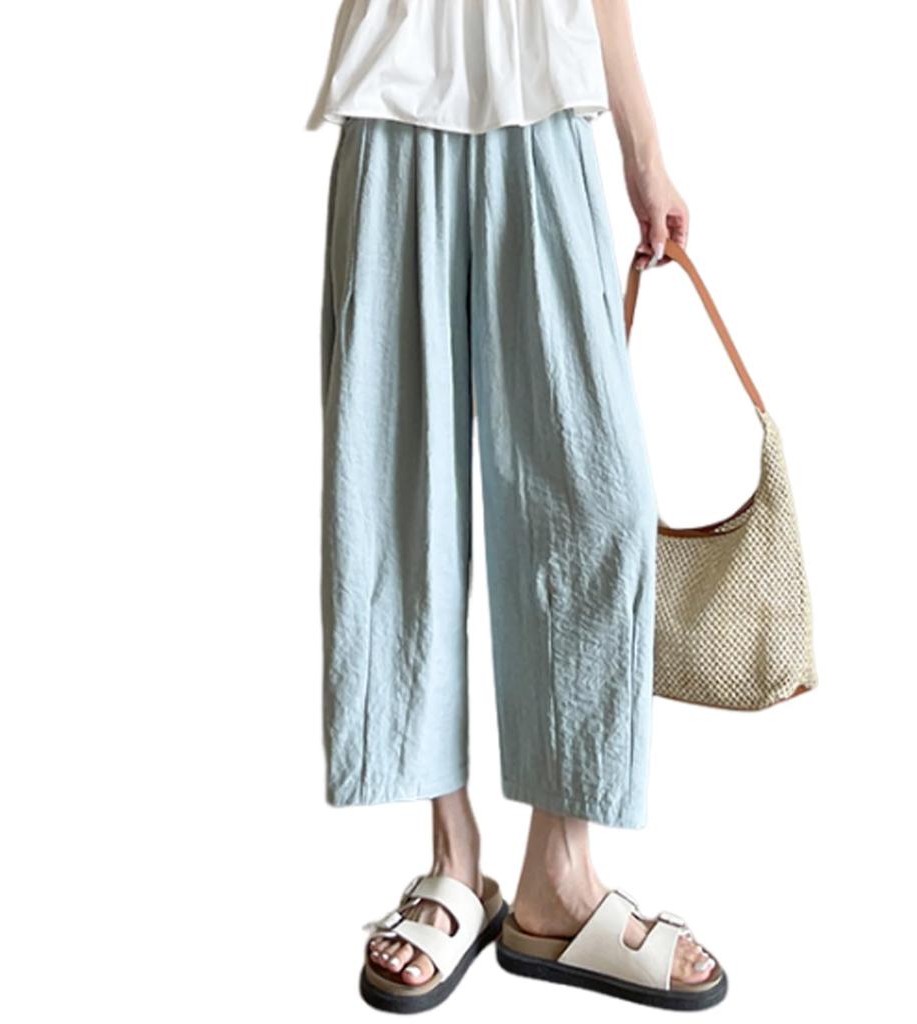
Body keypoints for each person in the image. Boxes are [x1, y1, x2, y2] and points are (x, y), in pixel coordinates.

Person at [308, 0, 726, 1012]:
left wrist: (644, 153)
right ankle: (453, 858)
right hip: (394, 104)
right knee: (395, 492)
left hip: (546, 121)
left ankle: (557, 877)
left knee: (594, 498)